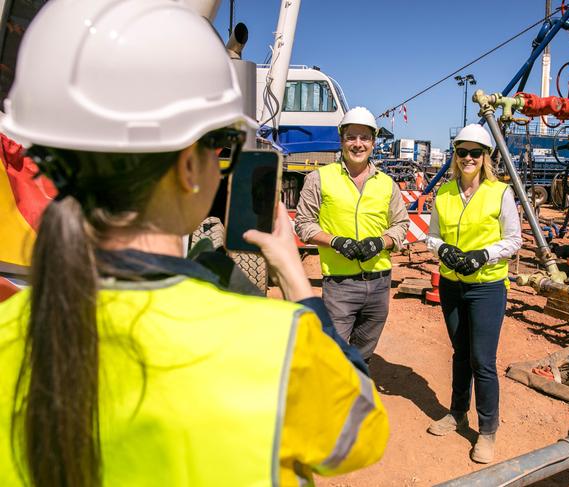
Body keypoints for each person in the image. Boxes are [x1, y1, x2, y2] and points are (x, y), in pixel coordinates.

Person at [0, 1, 388, 486]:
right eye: (221, 145)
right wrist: (293, 274)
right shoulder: (280, 346)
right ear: (188, 167)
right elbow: (363, 433)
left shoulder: (10, 331)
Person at [425, 124, 522, 464]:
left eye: (475, 153)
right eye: (462, 152)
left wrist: (484, 255)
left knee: (482, 360)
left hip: (487, 287)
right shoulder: (445, 194)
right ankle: (456, 413)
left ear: (485, 158)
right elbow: (432, 235)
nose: (468, 158)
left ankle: (487, 431)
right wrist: (443, 250)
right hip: (452, 285)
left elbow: (514, 239)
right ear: (455, 155)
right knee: (460, 353)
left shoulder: (500, 193)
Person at [294, 107, 409, 365]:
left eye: (364, 138)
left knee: (362, 357)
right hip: (339, 285)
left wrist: (382, 242)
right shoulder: (319, 179)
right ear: (342, 140)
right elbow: (303, 224)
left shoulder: (387, 184)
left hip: (379, 284)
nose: (358, 144)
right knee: (332, 356)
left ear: (373, 142)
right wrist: (335, 241)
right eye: (351, 137)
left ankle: (355, 401)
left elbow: (401, 224)